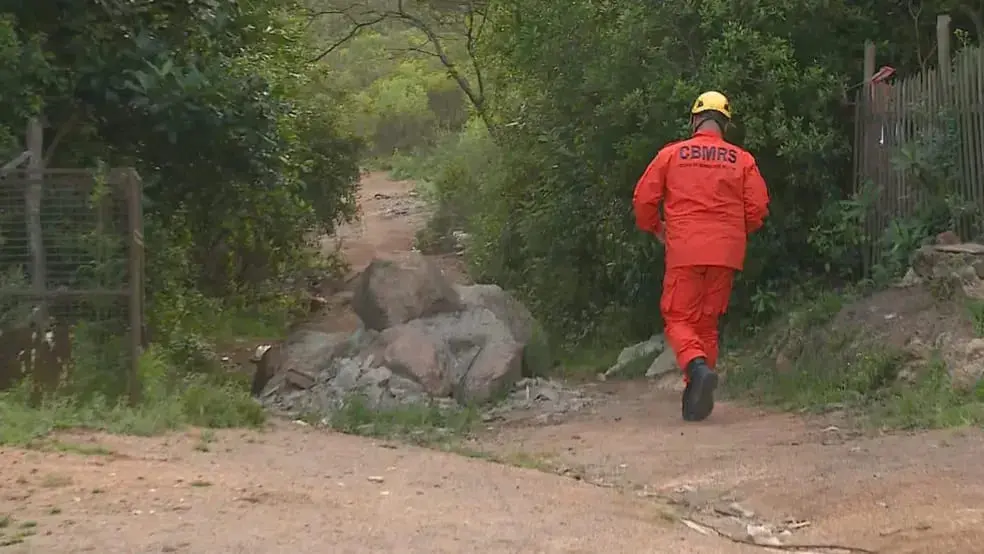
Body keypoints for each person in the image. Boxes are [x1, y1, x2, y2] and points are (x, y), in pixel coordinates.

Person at [631, 91, 770, 422]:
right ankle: (696, 398)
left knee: (678, 318)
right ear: (726, 124)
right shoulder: (743, 160)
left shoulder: (671, 155)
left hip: (685, 250)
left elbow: (643, 199)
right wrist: (732, 234)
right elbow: (758, 208)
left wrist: (656, 228)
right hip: (725, 253)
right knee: (706, 324)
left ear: (695, 120)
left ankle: (696, 367)